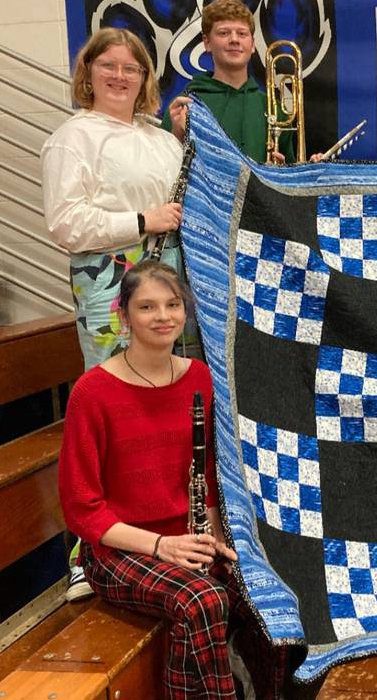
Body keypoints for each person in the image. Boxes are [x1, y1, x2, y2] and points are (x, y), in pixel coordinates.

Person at [58, 260, 287, 699]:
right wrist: (163, 546)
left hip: (189, 538)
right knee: (203, 601)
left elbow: (208, 472)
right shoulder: (91, 392)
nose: (162, 316)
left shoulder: (198, 377)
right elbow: (81, 509)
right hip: (119, 549)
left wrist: (216, 536)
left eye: (172, 304)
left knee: (265, 588)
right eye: (147, 306)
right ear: (123, 315)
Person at [41, 27, 186, 600]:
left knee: (161, 404)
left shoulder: (160, 140)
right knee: (111, 405)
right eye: (110, 66)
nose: (121, 77)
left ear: (146, 78)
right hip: (109, 277)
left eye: (133, 68)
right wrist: (140, 221)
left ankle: (157, 525)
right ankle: (90, 548)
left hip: (169, 274)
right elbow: (65, 223)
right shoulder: (73, 137)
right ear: (90, 73)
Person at [163, 0, 293, 164]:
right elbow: (162, 174)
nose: (234, 39)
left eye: (242, 33)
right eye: (223, 33)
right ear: (207, 43)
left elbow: (290, 174)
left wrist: (285, 173)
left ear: (252, 44)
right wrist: (177, 136)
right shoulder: (185, 106)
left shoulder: (273, 108)